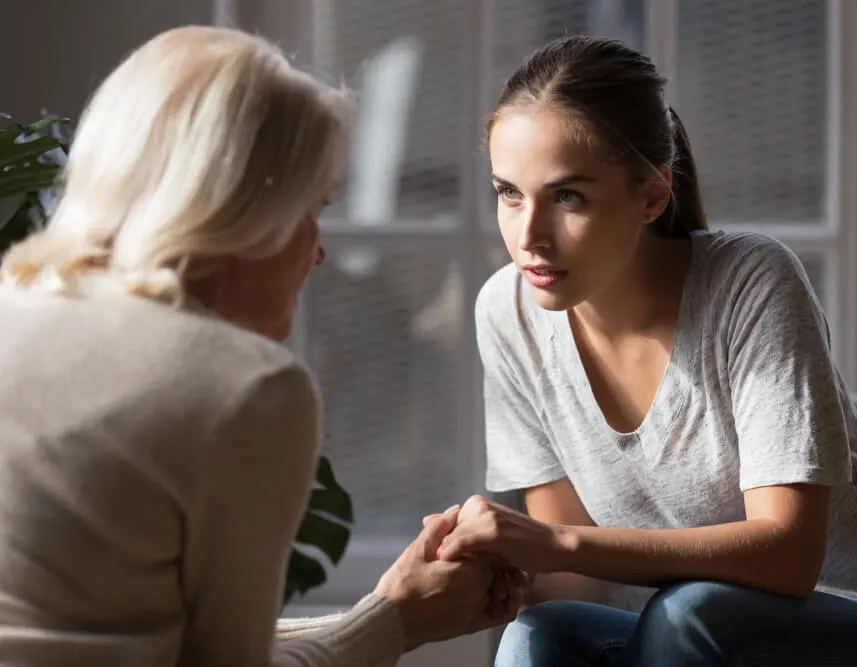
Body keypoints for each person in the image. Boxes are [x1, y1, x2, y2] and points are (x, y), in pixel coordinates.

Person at [434, 35, 857, 666]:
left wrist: (558, 542)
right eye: (509, 193)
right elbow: (574, 572)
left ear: (651, 195)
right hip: (716, 637)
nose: (529, 235)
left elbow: (788, 556)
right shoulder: (507, 312)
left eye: (568, 196)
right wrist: (483, 572)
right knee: (542, 636)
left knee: (689, 613)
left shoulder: (751, 282)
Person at [0, 25, 520, 667]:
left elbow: (149, 634)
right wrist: (397, 624)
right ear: (240, 211)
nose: (319, 249)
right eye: (313, 209)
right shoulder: (245, 386)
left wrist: (385, 607)